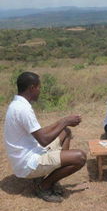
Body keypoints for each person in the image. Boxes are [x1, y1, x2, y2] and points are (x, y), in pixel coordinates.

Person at [4, 72, 86, 203]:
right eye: (39, 87)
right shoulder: (23, 109)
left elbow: (39, 132)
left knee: (66, 132)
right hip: (27, 163)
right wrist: (64, 121)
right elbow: (43, 140)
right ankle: (44, 186)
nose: (39, 91)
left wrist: (63, 122)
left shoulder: (18, 105)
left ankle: (50, 173)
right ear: (32, 88)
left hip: (29, 153)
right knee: (80, 157)